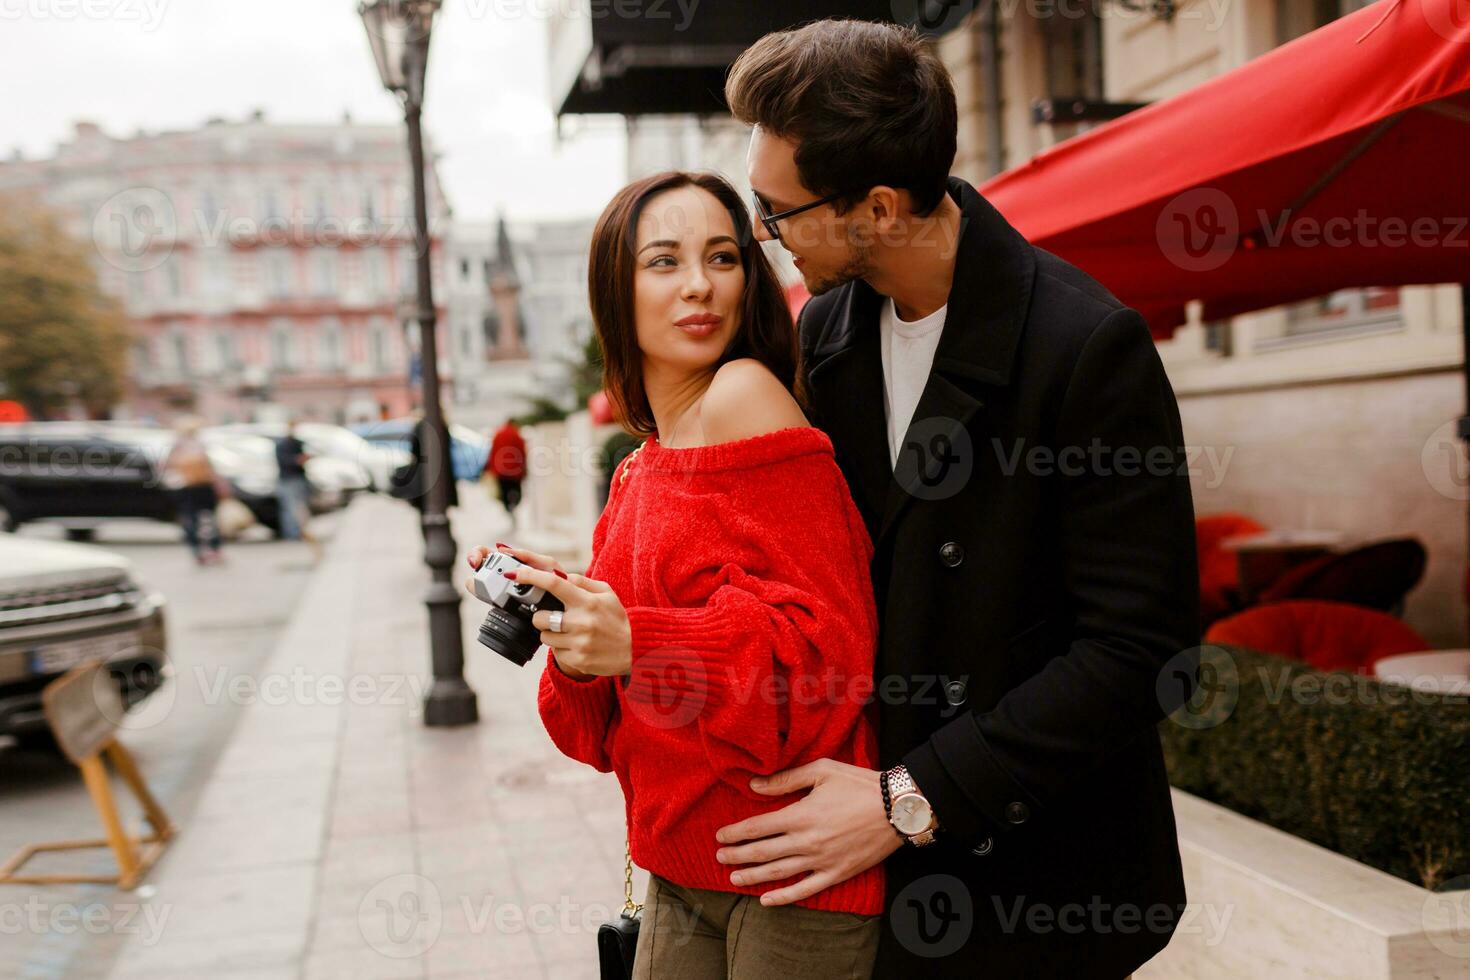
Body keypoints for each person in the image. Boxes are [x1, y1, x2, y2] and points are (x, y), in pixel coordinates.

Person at [710, 19, 1201, 979]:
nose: (766, 239)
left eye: (779, 213)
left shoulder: (1085, 346)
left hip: (1041, 887)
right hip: (872, 892)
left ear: (881, 208)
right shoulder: (823, 337)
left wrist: (911, 796)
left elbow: (1141, 650)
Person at [466, 172, 885, 978]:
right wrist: (569, 617)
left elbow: (830, 658)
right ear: (614, 290)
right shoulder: (639, 470)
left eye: (722, 257)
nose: (700, 285)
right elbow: (594, 735)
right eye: (664, 261)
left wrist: (642, 639)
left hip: (791, 874)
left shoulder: (746, 395)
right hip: (678, 869)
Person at [161, 417, 224, 566]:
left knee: (191, 520)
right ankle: (213, 549)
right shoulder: (199, 446)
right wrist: (219, 484)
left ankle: (197, 551)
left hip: (186, 488)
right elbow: (210, 469)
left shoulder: (176, 447)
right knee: (208, 519)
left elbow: (165, 468)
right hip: (202, 487)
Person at [273, 420, 312, 542]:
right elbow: (284, 461)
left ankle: (299, 532)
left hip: (298, 479)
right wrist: (297, 460)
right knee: (290, 509)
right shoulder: (281, 445)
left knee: (299, 508)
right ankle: (292, 534)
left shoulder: (298, 443)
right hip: (288, 480)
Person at [486, 419, 527, 526]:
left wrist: (492, 468)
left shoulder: (498, 434)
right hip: (515, 470)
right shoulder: (517, 434)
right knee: (516, 490)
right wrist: (524, 469)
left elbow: (492, 452)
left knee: (504, 491)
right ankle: (514, 503)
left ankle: (508, 507)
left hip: (501, 470)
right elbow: (522, 453)